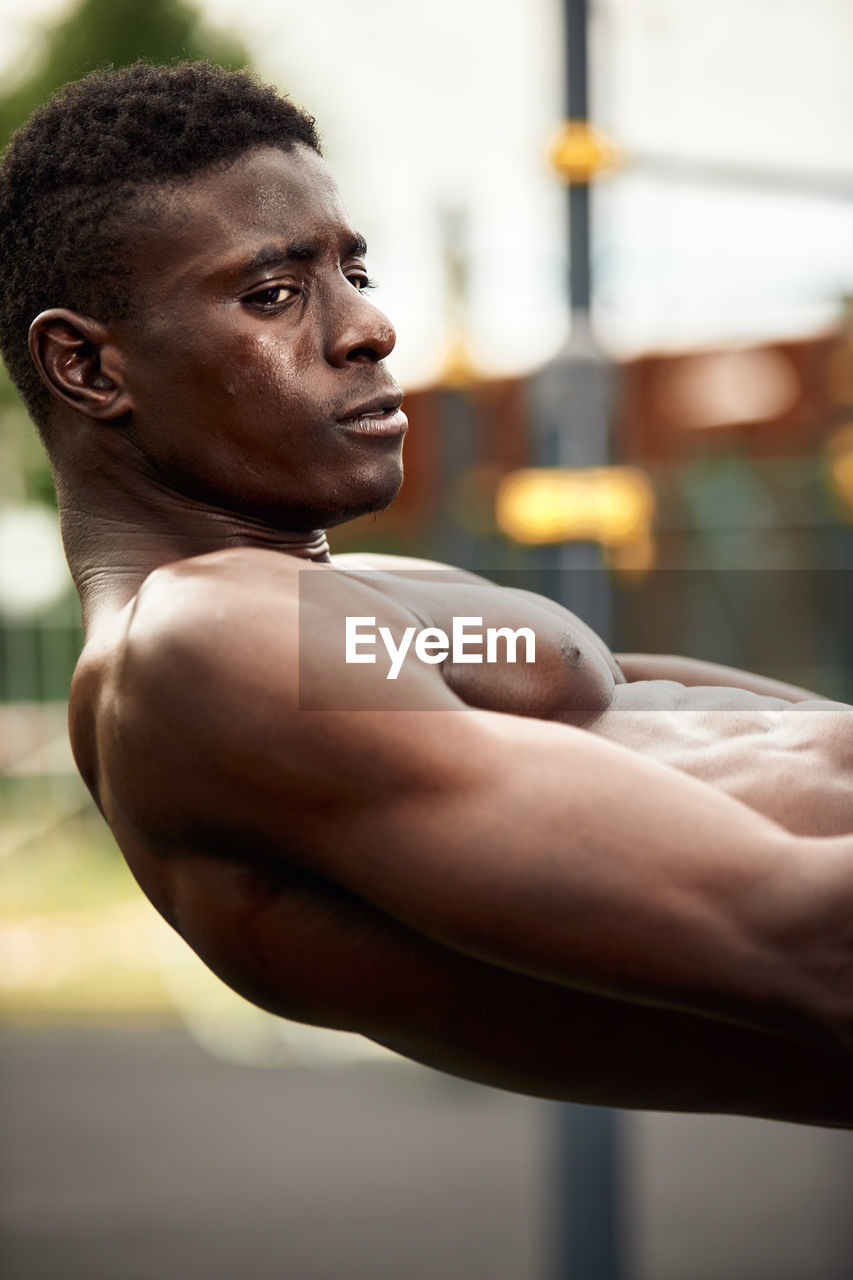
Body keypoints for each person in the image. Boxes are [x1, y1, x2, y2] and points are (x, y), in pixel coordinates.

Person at [1, 61, 851, 1127]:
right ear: (87, 368)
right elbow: (812, 943)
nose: (367, 327)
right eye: (273, 294)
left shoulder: (350, 595)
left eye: (356, 270)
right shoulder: (199, 642)